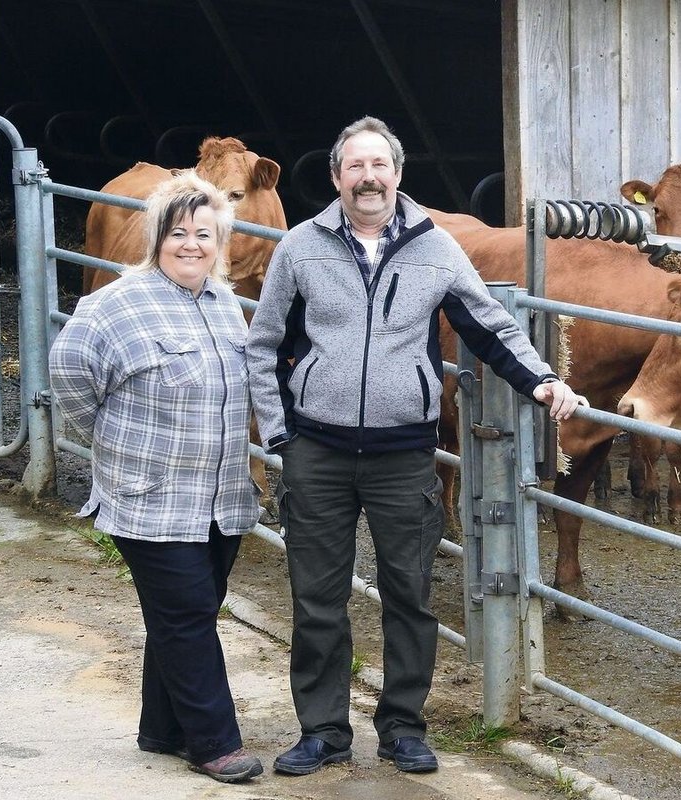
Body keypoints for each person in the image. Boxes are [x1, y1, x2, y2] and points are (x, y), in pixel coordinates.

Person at [247, 116, 586, 776]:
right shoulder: (300, 248)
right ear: (337, 177)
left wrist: (542, 380)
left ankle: (403, 725)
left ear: (398, 175)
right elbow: (263, 347)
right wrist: (281, 432)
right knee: (316, 599)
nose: (369, 177)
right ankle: (322, 731)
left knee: (409, 594)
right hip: (317, 450)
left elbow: (488, 324)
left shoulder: (435, 248)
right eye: (356, 166)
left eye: (381, 165)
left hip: (405, 454)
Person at [49, 171, 265, 784]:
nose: (191, 244)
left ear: (221, 241)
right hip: (150, 496)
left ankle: (162, 728)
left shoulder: (226, 305)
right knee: (189, 613)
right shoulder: (114, 304)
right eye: (178, 233)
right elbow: (70, 378)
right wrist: (114, 439)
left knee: (186, 611)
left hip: (219, 496)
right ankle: (213, 741)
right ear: (156, 239)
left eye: (204, 233)